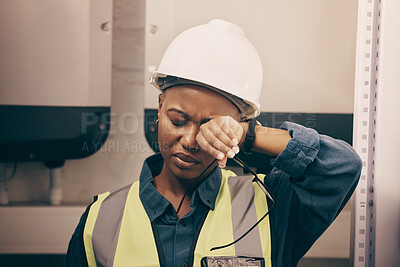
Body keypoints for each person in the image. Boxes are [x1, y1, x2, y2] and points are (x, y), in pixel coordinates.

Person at [65, 19, 362, 267]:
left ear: (239, 122)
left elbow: (342, 168)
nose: (191, 140)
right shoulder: (100, 220)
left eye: (212, 126)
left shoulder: (270, 205)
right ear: (158, 106)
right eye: (178, 120)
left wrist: (250, 135)